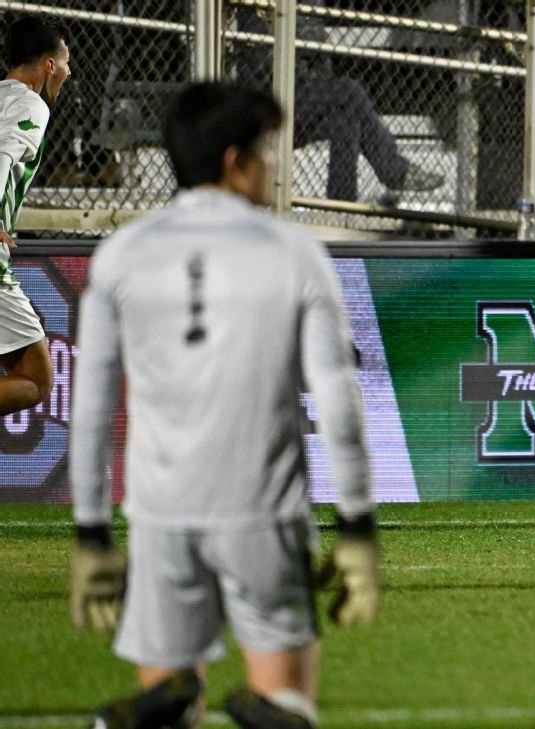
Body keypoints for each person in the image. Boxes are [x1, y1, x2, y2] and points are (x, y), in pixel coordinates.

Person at [68, 82, 379, 729]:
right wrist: (357, 529)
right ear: (235, 160)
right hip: (263, 514)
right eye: (267, 150)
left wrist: (91, 533)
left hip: (161, 518)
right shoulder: (295, 252)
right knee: (287, 704)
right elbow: (339, 401)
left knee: (172, 704)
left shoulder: (122, 253)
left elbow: (92, 407)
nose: (273, 165)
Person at [234, 9, 441, 205]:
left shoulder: (309, 6)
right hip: (267, 105)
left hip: (300, 98)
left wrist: (306, 47)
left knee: (345, 116)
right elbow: (264, 63)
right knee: (350, 91)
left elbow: (322, 62)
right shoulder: (256, 7)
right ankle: (395, 170)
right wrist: (309, 44)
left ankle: (341, 203)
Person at [0, 14, 67, 418]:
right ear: (49, 65)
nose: (69, 71)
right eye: (66, 61)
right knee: (36, 380)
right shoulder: (29, 105)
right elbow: (4, 155)